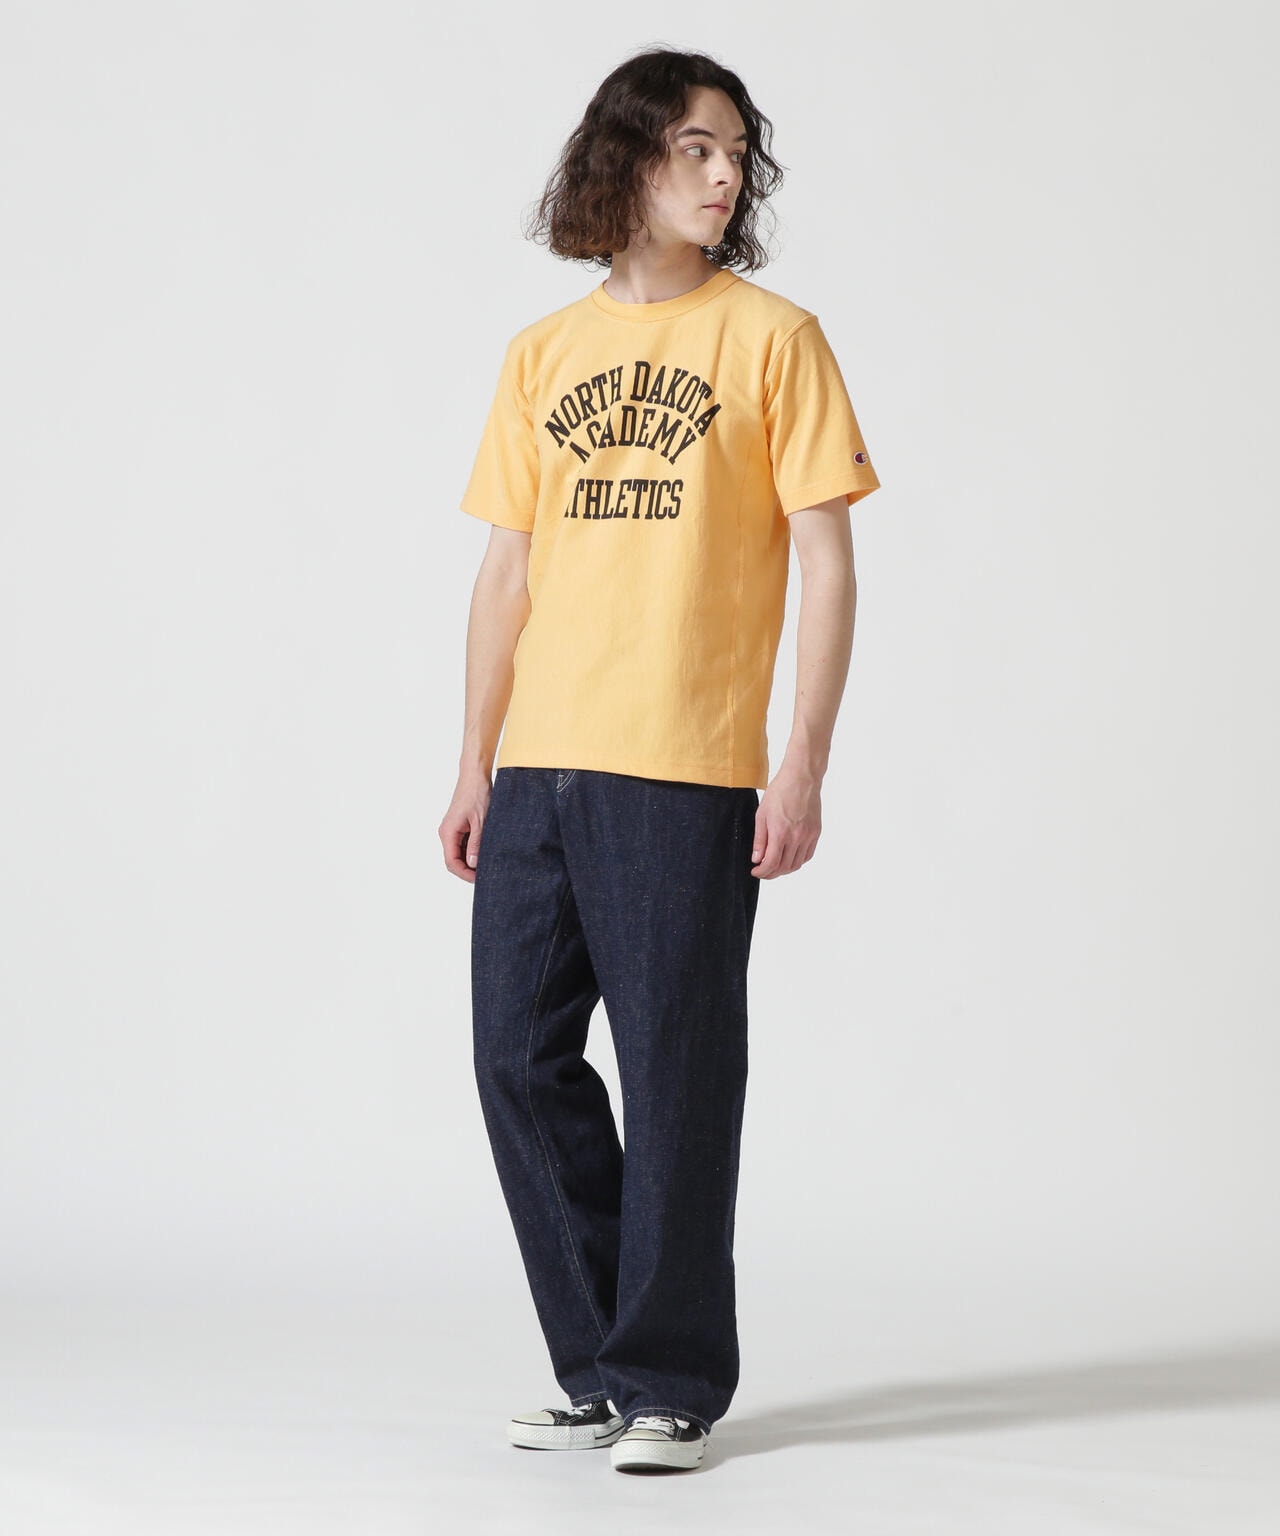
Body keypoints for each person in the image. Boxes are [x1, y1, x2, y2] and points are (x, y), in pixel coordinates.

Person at [438, 45, 880, 1475]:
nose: (725, 173)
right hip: (541, 766)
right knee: (517, 1057)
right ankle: (601, 1366)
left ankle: (671, 1380)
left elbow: (827, 563)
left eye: (737, 152)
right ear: (626, 159)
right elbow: (506, 574)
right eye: (696, 147)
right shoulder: (542, 355)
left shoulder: (774, 340)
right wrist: (473, 763)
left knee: (680, 1073)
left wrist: (801, 761)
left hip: (684, 767)